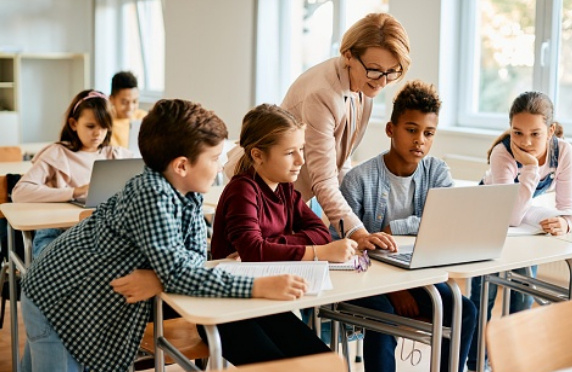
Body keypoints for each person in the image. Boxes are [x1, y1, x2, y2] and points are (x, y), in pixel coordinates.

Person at [19, 99, 311, 372]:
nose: (220, 167)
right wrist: (258, 286)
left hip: (81, 297)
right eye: (213, 158)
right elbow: (183, 272)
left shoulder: (189, 193)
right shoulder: (151, 193)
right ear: (182, 165)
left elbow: (194, 261)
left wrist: (162, 278)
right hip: (58, 298)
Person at [225, 13, 409, 251]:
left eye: (392, 71)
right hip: (261, 189)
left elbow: (341, 164)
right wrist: (357, 232)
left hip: (291, 195)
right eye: (375, 70)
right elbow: (324, 178)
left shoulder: (365, 87)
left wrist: (358, 225)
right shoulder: (323, 93)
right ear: (348, 56)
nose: (383, 81)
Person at [340, 80, 477, 372]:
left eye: (429, 133)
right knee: (384, 315)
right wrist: (394, 290)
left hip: (418, 275)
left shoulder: (437, 171)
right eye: (411, 130)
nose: (420, 141)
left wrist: (393, 227)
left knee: (465, 310)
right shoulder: (358, 179)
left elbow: (445, 222)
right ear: (391, 130)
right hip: (368, 280)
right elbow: (348, 247)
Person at [208, 103, 353, 365]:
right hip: (229, 308)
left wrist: (270, 245)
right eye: (290, 153)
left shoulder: (285, 188)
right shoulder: (243, 190)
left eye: (301, 150)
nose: (301, 160)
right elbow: (255, 252)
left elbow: (320, 232)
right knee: (283, 366)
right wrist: (318, 253)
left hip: (266, 302)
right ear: (258, 155)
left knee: (325, 362)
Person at [466, 91, 572, 372]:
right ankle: (476, 363)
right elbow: (510, 217)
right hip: (490, 215)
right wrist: (529, 167)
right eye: (518, 132)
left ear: (551, 131)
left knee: (523, 290)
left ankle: (513, 362)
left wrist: (565, 223)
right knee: (485, 294)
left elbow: (569, 208)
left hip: (520, 215)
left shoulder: (563, 151)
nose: (525, 142)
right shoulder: (502, 153)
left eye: (535, 134)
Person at [12, 89, 133, 258]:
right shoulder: (57, 153)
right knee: (63, 270)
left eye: (104, 127)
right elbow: (19, 192)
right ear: (73, 124)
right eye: (90, 126)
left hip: (100, 233)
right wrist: (74, 192)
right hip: (58, 232)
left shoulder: (116, 155)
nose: (98, 133)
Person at [108, 71, 148, 148]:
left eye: (134, 101)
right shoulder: (107, 125)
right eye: (124, 102)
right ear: (111, 99)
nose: (130, 107)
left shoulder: (145, 117)